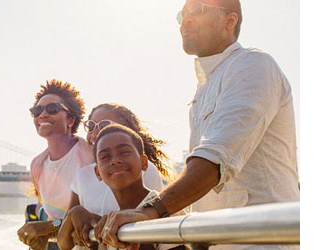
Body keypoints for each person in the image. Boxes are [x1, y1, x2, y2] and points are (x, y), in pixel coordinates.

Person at [99, 1, 300, 250]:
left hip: (263, 242)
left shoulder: (254, 65)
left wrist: (149, 213)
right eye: (181, 15)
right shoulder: (202, 91)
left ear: (230, 21)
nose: (185, 20)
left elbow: (214, 159)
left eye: (196, 9)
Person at [58, 124, 186, 250]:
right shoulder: (109, 221)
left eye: (124, 152)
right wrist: (74, 212)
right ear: (98, 173)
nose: (115, 160)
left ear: (144, 163)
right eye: (105, 157)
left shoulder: (167, 211)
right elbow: (63, 244)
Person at [17, 79, 94, 250]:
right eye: (37, 111)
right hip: (59, 241)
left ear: (71, 120)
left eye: (52, 109)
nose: (42, 115)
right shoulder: (37, 165)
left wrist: (46, 228)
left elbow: (87, 217)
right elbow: (53, 216)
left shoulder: (88, 155)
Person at [69, 103, 169, 216]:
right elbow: (69, 219)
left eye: (104, 126)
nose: (95, 133)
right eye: (91, 126)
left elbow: (154, 212)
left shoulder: (144, 169)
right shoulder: (82, 175)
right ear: (98, 172)